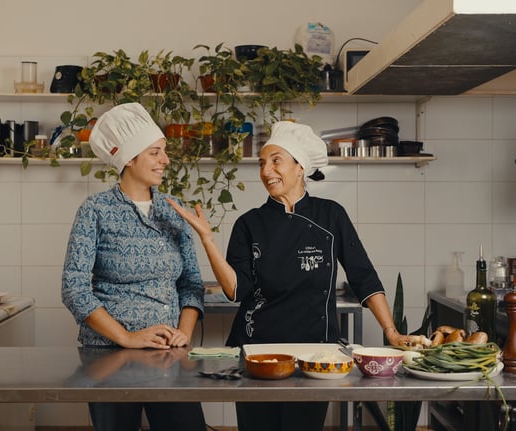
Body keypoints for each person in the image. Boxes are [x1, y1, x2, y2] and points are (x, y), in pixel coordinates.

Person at [168, 120, 413, 431]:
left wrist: (391, 331)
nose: (266, 170)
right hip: (257, 352)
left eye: (276, 160)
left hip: (316, 353)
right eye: (262, 163)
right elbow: (235, 290)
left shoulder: (331, 215)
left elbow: (363, 276)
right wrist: (207, 240)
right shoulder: (249, 224)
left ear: (300, 168)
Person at [61, 102, 207, 431]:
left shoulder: (174, 209)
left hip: (169, 354)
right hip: (109, 355)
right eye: (155, 152)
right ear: (129, 159)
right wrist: (126, 338)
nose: (165, 160)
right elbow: (74, 289)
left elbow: (191, 284)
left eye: (164, 152)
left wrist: (184, 334)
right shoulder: (95, 210)